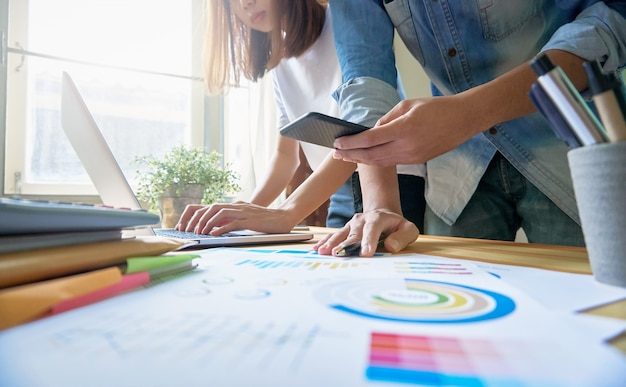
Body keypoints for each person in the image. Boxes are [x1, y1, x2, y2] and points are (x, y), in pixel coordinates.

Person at [314, 0, 626, 257]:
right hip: (457, 173)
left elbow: (610, 22)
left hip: (577, 150)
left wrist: (470, 113)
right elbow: (364, 73)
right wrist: (380, 207)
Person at [175, 0, 426, 235]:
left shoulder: (347, 22)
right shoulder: (280, 64)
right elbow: (285, 157)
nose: (244, 4)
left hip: (393, 179)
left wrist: (286, 212)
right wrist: (243, 214)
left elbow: (362, 134)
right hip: (333, 188)